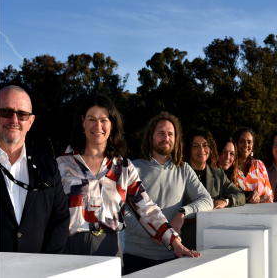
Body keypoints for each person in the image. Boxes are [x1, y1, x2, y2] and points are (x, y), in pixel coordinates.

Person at [56, 95, 194, 263]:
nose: (98, 126)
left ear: (112, 124)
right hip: (71, 250)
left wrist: (174, 241)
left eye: (104, 120)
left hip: (110, 251)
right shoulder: (61, 164)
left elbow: (147, 208)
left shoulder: (123, 168)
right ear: (83, 121)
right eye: (92, 119)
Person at [123, 112, 213, 274]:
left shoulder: (184, 169)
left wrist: (183, 212)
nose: (166, 137)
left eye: (170, 134)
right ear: (150, 137)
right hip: (137, 256)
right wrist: (152, 231)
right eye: (161, 133)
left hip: (172, 256)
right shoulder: (132, 168)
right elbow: (123, 210)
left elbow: (207, 200)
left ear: (176, 139)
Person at [0, 85, 69, 253]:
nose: (14, 120)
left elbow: (59, 219)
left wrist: (45, 267)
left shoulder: (48, 165)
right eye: (6, 111)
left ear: (30, 122)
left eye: (22, 114)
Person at [181, 128, 245, 250]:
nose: (201, 150)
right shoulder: (178, 173)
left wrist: (225, 201)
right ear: (189, 148)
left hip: (212, 243)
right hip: (184, 244)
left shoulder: (218, 174)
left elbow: (240, 195)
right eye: (196, 146)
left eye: (205, 145)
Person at [232, 127, 273, 204]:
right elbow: (229, 196)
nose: (246, 145)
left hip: (262, 214)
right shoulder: (230, 168)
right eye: (242, 141)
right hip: (237, 214)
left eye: (249, 142)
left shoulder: (259, 165)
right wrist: (255, 200)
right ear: (235, 143)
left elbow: (269, 197)